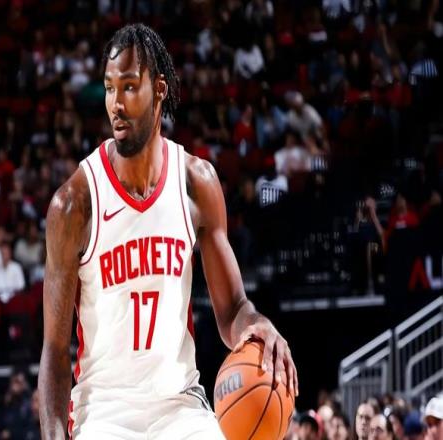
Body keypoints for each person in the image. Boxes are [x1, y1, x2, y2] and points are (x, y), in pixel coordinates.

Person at [38, 23, 298, 439]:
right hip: (104, 414)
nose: (116, 104)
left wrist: (258, 324)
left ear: (159, 89)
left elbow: (233, 310)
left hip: (180, 408)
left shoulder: (196, 184)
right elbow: (54, 350)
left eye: (129, 87)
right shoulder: (74, 204)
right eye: (109, 88)